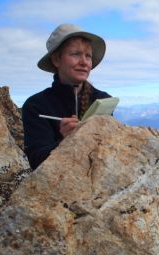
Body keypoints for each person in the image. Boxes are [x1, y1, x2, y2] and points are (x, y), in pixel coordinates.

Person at [22, 24, 111, 170]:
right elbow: (36, 161)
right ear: (56, 60)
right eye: (75, 54)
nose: (84, 62)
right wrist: (65, 141)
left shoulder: (103, 100)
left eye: (88, 56)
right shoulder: (36, 106)